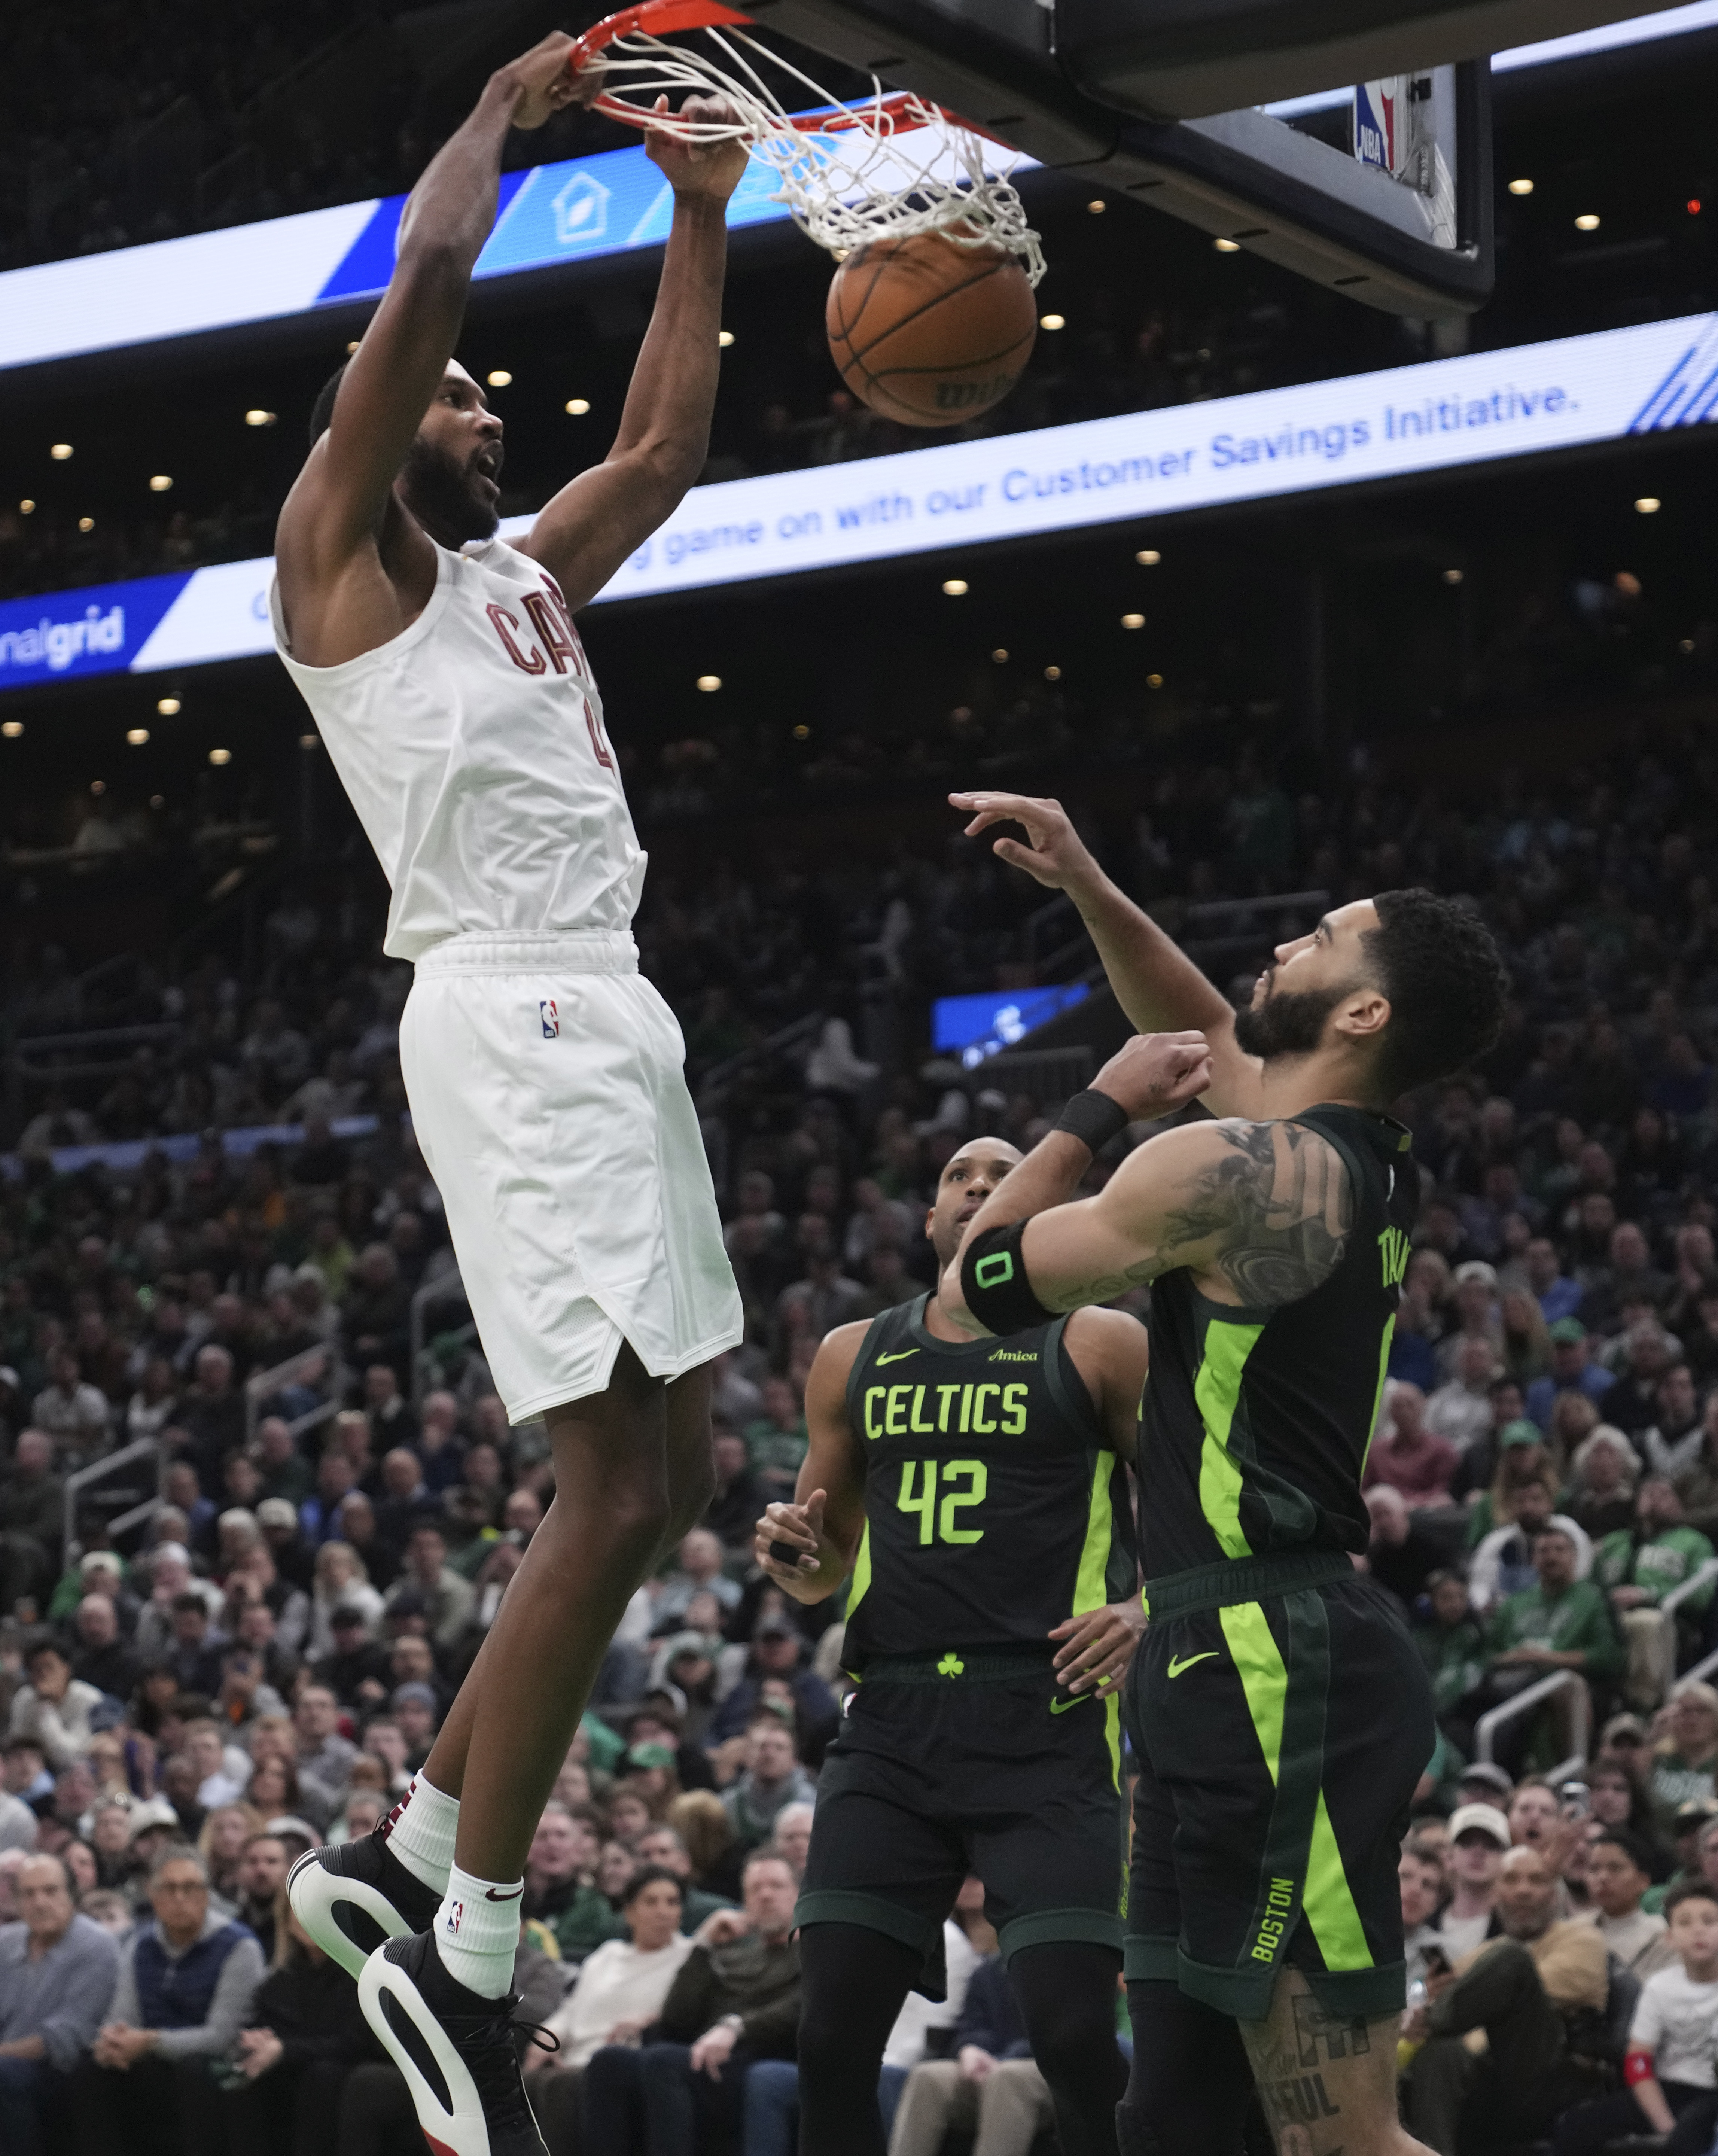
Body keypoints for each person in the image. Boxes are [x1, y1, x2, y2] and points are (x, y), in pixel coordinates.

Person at [275, 33, 752, 2153]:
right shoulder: (344, 561)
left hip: (605, 1007)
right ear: (382, 426)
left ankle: (394, 1852)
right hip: (511, 1005)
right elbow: (426, 298)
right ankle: (465, 1946)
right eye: (460, 398)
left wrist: (704, 209)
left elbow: (658, 444)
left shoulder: (521, 580)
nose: (489, 408)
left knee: (679, 1464)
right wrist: (498, 105)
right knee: (613, 1483)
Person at [934, 792, 1511, 2156]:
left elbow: (983, 1281)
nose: (1284, 947)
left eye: (1319, 937)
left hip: (1275, 1667)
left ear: (1363, 1013)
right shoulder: (1342, 1158)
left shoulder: (1224, 1169)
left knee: (1340, 2139)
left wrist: (1089, 1111)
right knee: (1178, 2117)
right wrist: (1084, 875)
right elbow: (1204, 1027)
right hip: (1217, 1653)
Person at [759, 1129, 1149, 2156]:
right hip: (889, 1725)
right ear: (933, 1221)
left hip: (1046, 1714)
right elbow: (827, 1560)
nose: (978, 1188)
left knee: (1070, 2035)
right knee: (830, 2038)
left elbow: (1209, 1506)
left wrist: (1147, 1609)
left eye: (999, 1175)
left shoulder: (1096, 1340)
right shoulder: (854, 1352)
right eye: (956, 1179)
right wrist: (792, 1555)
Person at [581, 1849, 801, 2155]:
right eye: (755, 1888)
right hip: (703, 2057)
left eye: (775, 1886)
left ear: (799, 1894)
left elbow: (799, 2007)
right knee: (610, 2061)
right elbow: (677, 2019)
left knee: (664, 2061)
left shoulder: (812, 1952)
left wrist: (735, 2027)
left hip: (760, 2055)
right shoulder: (732, 1952)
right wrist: (703, 1945)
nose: (765, 1895)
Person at [1402, 1845, 1615, 2156]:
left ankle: (1429, 2021)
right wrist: (1435, 1998)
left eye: (1536, 1880)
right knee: (1439, 2050)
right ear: (1496, 1896)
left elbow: (1535, 1988)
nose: (1524, 1890)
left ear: (1555, 1895)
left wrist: (1435, 2010)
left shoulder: (1582, 1938)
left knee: (1513, 1961)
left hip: (1554, 2077)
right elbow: (1450, 1989)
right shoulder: (1489, 1949)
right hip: (1491, 2082)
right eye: (1512, 1880)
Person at [70, 1842, 266, 2156]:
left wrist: (149, 2041)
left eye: (190, 1888)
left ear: (207, 1894)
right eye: (169, 1888)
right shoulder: (140, 1945)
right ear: (152, 1894)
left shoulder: (239, 1947)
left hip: (218, 2066)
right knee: (91, 2069)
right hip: (154, 2061)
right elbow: (123, 2017)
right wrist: (113, 2042)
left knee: (193, 2071)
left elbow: (222, 2037)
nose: (179, 1898)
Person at [526, 1863, 694, 2152]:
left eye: (672, 1902)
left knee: (562, 2087)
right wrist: (547, 2035)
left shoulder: (689, 1956)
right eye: (651, 1902)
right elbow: (570, 2008)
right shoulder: (607, 1955)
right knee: (525, 2082)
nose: (663, 1911)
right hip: (572, 2054)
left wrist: (651, 2019)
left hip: (624, 2059)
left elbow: (685, 2010)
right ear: (629, 1912)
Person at [1552, 1878, 1718, 2156]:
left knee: (1692, 2134)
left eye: (1709, 1921)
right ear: (1670, 1937)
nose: (1698, 1931)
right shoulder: (1659, 1987)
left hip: (1712, 2094)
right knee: (1576, 2126)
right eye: (1685, 1923)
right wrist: (1665, 2124)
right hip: (1668, 2089)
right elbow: (1638, 2061)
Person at [0, 1852, 119, 2156]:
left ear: (72, 1896)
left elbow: (63, 2038)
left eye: (51, 1891)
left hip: (62, 2072)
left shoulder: (97, 1946)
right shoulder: (5, 1942)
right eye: (29, 1894)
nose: (40, 1903)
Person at [1594, 1477, 1716, 1711]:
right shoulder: (1614, 1543)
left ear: (1679, 1507)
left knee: (1646, 1623)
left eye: (1665, 1494)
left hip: (1668, 1619)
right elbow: (1590, 1586)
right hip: (1609, 1616)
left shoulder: (1694, 1542)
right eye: (1648, 1493)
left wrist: (1649, 1595)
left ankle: (1645, 1706)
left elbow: (1702, 1595)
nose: (1655, 1499)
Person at [1578, 1830, 1670, 1977]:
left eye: (1615, 1868)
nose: (1602, 1878)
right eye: (1594, 1869)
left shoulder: (1662, 1936)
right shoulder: (1575, 1930)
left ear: (1643, 1881)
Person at [1437, 1805, 1509, 1961]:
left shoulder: (1513, 1927)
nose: (1479, 1852)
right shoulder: (1424, 1923)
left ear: (1505, 1859)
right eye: (1467, 1843)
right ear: (1449, 1856)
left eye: (1491, 1845)